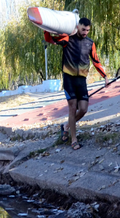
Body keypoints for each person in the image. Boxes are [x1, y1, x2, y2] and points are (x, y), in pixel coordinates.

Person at [44, 17, 108, 150]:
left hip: (81, 80)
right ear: (77, 27)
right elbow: (50, 40)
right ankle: (74, 140)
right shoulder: (67, 39)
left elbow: (96, 61)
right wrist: (46, 28)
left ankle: (66, 125)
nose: (85, 32)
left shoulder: (90, 43)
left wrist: (105, 76)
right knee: (72, 107)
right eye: (83, 29)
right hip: (69, 79)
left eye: (88, 30)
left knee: (83, 109)